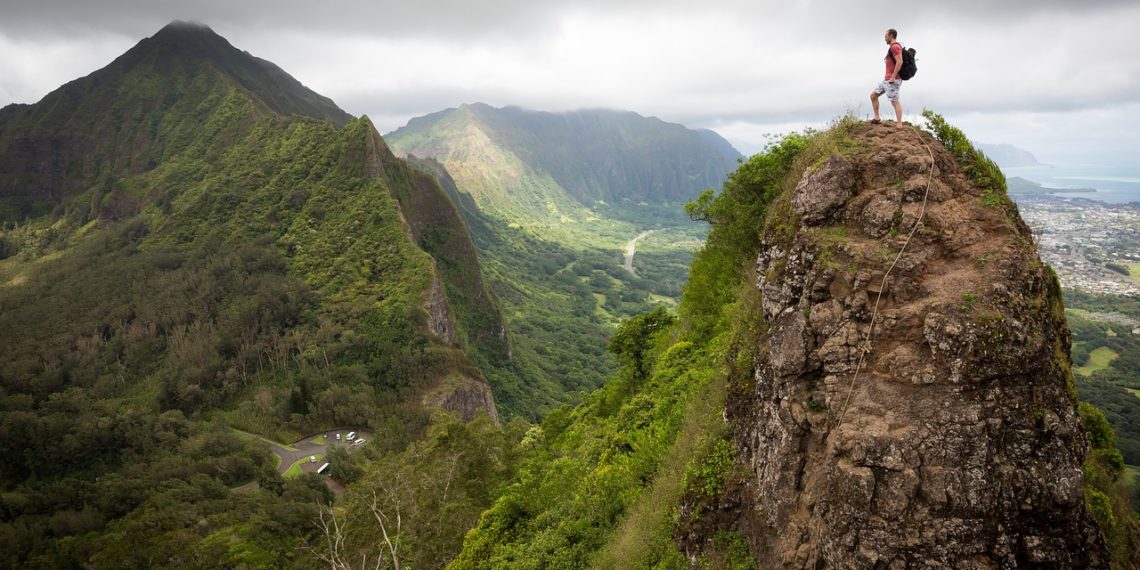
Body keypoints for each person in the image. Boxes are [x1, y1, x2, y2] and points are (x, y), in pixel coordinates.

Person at [870, 28, 904, 127]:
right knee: (873, 96)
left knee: (894, 101)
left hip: (893, 79)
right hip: (886, 79)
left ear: (891, 36)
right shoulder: (892, 48)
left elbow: (900, 61)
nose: (885, 39)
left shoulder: (895, 47)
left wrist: (893, 76)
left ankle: (899, 124)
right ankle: (877, 118)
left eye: (886, 36)